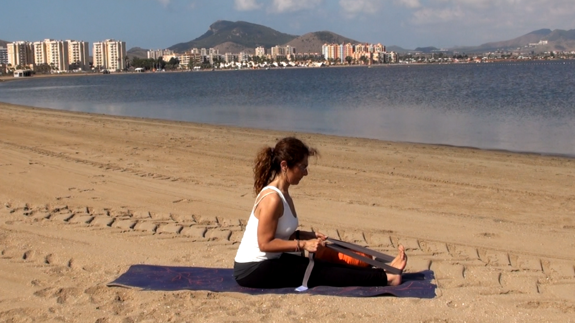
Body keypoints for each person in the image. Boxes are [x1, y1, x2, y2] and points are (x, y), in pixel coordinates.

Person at [233, 137, 407, 289]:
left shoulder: (283, 195)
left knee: (320, 264)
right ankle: (388, 278)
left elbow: (281, 232)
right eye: (302, 167)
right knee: (321, 272)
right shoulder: (272, 199)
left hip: (269, 261)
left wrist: (307, 235)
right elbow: (265, 244)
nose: (306, 173)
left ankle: (383, 271)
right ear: (284, 166)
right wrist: (303, 245)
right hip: (252, 269)